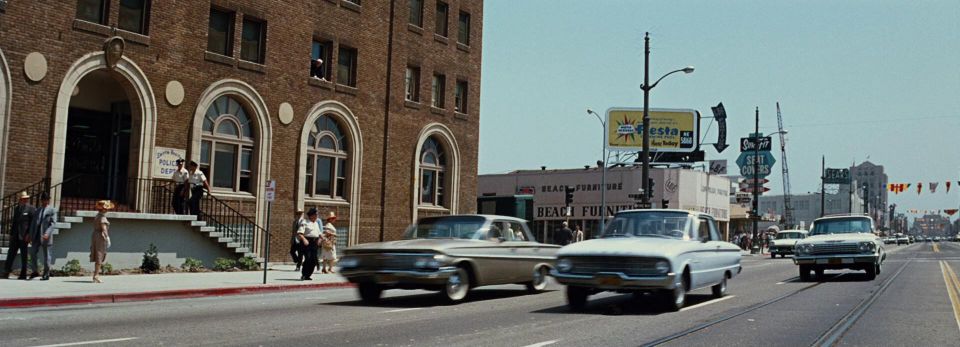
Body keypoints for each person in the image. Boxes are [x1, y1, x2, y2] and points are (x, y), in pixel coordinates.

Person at [2, 192, 36, 279]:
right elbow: (14, 222)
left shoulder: (31, 209)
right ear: (20, 200)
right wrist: (11, 234)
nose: (25, 200)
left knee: (24, 254)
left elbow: (33, 223)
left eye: (26, 199)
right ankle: (7, 271)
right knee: (11, 253)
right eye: (23, 199)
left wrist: (29, 234)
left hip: (24, 235)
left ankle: (23, 273)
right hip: (16, 235)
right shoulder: (17, 208)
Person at [29, 192, 57, 280]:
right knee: (32, 252)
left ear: (48, 200)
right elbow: (33, 223)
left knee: (47, 255)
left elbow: (53, 223)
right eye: (43, 200)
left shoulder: (52, 210)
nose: (45, 201)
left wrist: (47, 233)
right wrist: (30, 235)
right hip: (36, 235)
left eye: (47, 200)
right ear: (41, 200)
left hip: (46, 236)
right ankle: (35, 271)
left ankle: (46, 273)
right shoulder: (38, 210)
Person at [91, 200, 113, 283]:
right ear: (103, 209)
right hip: (100, 236)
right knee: (100, 254)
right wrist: (107, 238)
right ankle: (96, 275)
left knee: (98, 254)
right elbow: (104, 229)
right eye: (106, 208)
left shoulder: (97, 216)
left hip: (95, 235)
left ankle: (96, 275)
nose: (107, 210)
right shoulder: (102, 217)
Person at [297, 208, 322, 280]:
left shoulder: (316, 223)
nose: (317, 216)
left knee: (314, 260)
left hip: (314, 242)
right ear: (311, 215)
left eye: (317, 214)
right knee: (308, 258)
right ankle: (304, 274)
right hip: (307, 242)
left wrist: (320, 239)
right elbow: (299, 233)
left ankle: (308, 275)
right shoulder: (304, 222)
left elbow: (319, 233)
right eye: (315, 214)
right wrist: (304, 239)